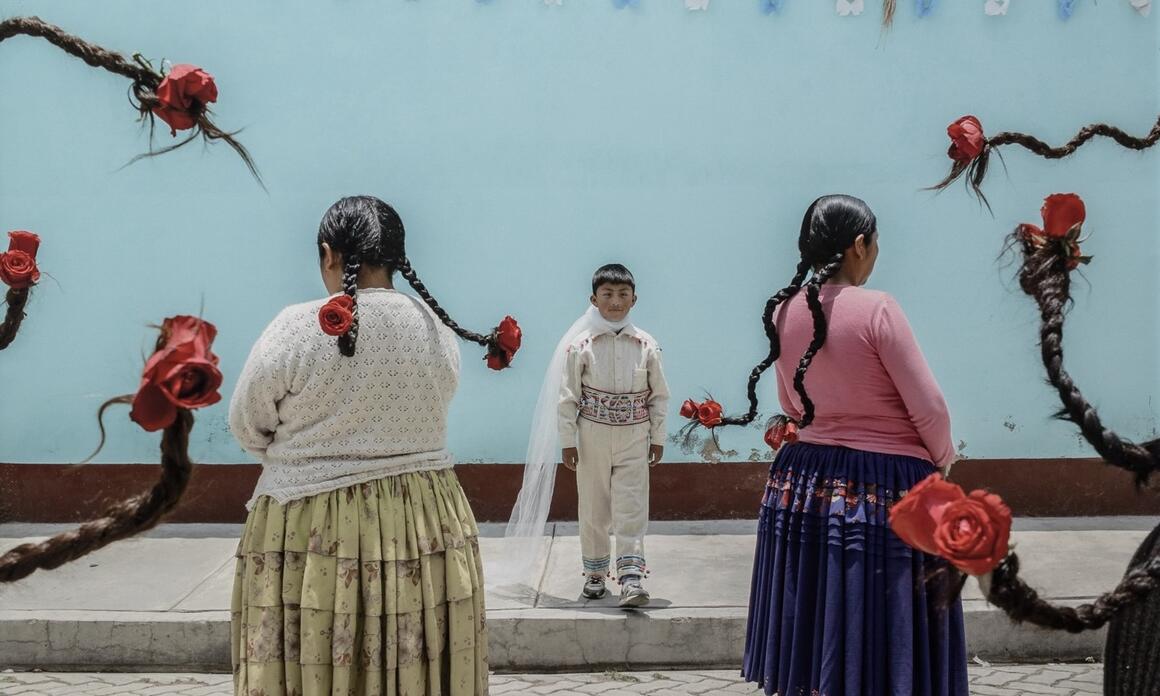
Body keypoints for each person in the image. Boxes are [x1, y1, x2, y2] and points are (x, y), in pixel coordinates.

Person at [228, 195, 520, 696]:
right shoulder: (437, 329)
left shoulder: (296, 327)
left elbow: (246, 423)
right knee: (415, 658)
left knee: (311, 656)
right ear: (397, 257)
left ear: (329, 253)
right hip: (426, 517)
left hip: (311, 521)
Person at [682, 195, 968, 695]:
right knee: (886, 614)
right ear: (860, 245)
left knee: (818, 615)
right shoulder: (880, 309)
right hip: (888, 483)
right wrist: (939, 462)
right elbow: (930, 408)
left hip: (805, 481)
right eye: (875, 243)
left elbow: (793, 404)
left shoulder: (785, 312)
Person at [558, 264, 670, 608]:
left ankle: (631, 578)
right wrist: (567, 441)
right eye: (607, 294)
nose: (615, 301)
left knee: (632, 504)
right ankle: (594, 574)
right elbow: (567, 397)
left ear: (634, 299)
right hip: (592, 436)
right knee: (593, 505)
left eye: (623, 294)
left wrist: (657, 436)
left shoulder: (647, 344)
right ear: (594, 299)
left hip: (635, 436)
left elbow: (659, 395)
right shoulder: (581, 346)